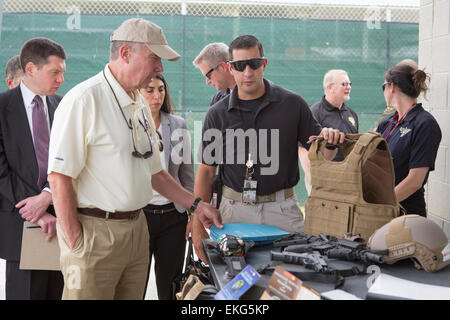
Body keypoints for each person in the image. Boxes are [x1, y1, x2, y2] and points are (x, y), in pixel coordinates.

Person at [47, 18, 222, 300]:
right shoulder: (84, 100)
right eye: (154, 58)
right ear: (126, 53)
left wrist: (196, 205)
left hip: (137, 230)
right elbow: (59, 177)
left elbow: (155, 172)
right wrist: (77, 241)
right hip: (95, 233)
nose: (160, 68)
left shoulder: (138, 103)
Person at [192, 35, 344, 262]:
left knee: (292, 283)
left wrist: (330, 142)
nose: (247, 72)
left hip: (282, 210)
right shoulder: (217, 114)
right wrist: (196, 227)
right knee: (235, 284)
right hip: (234, 212)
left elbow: (322, 155)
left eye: (253, 64)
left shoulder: (293, 104)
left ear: (264, 64)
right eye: (240, 66)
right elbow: (206, 171)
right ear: (230, 68)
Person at [0, 38, 66, 299]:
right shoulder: (3, 107)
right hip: (20, 224)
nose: (61, 79)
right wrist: (35, 210)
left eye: (62, 72)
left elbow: (72, 161)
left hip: (62, 222)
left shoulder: (63, 107)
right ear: (30, 69)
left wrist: (48, 195)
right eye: (55, 72)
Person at [139, 73, 194, 300]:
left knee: (170, 286)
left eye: (160, 89)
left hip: (174, 217)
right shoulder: (132, 123)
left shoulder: (177, 124)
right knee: (135, 284)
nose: (156, 95)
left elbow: (187, 174)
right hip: (140, 216)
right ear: (138, 93)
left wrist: (193, 216)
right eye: (150, 90)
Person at [376, 60, 441, 217]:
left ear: (392, 87)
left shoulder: (425, 124)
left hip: (405, 214)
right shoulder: (387, 123)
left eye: (383, 86)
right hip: (379, 210)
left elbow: (414, 182)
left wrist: (380, 207)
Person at [299, 69, 358, 193]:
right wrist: (314, 179)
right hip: (323, 181)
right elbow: (303, 149)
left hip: (347, 179)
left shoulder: (351, 114)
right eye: (344, 84)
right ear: (330, 87)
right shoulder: (315, 112)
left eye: (350, 84)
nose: (349, 87)